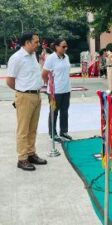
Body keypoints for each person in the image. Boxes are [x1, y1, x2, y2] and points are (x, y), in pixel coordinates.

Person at [6, 32, 47, 171]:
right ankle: (22, 158)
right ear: (27, 43)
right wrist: (21, 92)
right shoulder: (16, 58)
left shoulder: (32, 56)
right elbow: (10, 81)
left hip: (36, 95)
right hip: (24, 97)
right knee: (23, 129)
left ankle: (31, 153)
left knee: (33, 128)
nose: (38, 44)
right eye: (35, 42)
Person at [42, 38, 72, 142]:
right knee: (54, 112)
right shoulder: (51, 58)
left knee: (64, 112)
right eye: (63, 46)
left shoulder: (66, 57)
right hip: (55, 92)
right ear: (56, 47)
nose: (66, 48)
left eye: (66, 46)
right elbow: (44, 74)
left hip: (66, 89)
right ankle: (53, 133)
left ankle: (64, 131)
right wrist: (49, 85)